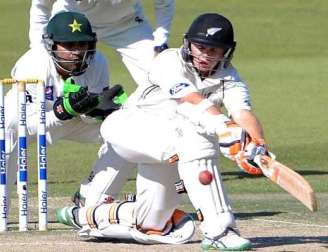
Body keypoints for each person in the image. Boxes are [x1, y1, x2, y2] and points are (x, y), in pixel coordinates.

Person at [56, 13, 271, 250]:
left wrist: (256, 143)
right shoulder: (168, 61)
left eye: (214, 50)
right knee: (199, 138)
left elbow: (242, 113)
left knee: (153, 222)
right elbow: (188, 98)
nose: (205, 56)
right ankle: (220, 229)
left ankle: (86, 215)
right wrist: (224, 127)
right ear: (188, 43)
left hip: (169, 148)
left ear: (226, 52)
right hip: (129, 129)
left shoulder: (229, 77)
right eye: (200, 47)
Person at [0, 11, 125, 227]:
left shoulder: (98, 62)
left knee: (122, 130)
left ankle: (91, 196)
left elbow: (89, 115)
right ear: (52, 45)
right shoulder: (33, 64)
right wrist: (59, 113)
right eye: (69, 46)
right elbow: (24, 125)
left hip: (71, 122)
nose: (77, 52)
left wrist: (99, 112)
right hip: (26, 120)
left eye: (82, 45)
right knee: (0, 131)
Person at [29, 0, 175, 87]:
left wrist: (161, 40)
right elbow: (41, 6)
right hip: (75, 22)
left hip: (127, 24)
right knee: (58, 73)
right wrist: (37, 50)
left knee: (159, 76)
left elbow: (164, 3)